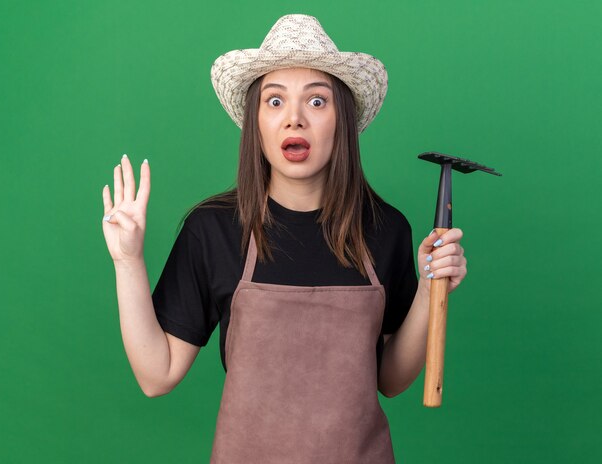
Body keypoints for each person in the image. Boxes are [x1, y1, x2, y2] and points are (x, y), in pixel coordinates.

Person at [101, 14, 467, 463]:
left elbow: (390, 379)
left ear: (343, 121)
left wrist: (433, 288)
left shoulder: (385, 228)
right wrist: (127, 261)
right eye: (275, 102)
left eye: (317, 102)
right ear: (255, 121)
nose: (294, 119)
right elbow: (156, 375)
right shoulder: (214, 229)